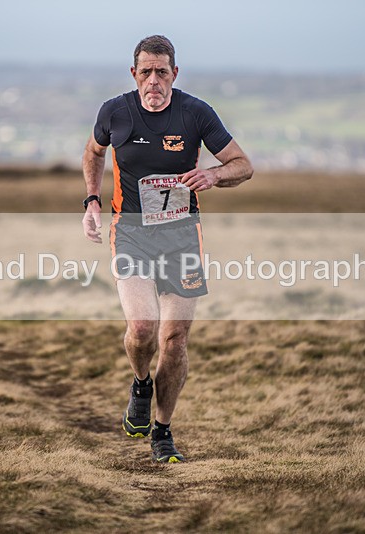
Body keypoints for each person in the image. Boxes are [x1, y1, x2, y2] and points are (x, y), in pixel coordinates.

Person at [81, 35, 252, 463]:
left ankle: (162, 430)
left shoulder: (195, 113)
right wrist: (92, 201)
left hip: (181, 237)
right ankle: (140, 382)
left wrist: (213, 176)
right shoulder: (114, 112)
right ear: (134, 74)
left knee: (174, 339)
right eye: (145, 72)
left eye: (162, 72)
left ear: (175, 73)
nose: (153, 80)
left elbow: (243, 165)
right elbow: (93, 151)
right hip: (132, 233)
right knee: (142, 328)